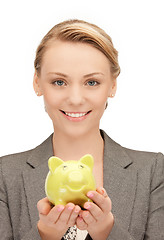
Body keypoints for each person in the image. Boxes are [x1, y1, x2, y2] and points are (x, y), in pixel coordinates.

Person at [0, 19, 164, 240]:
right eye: (59, 82)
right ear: (37, 83)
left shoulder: (153, 171)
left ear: (112, 85)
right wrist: (44, 235)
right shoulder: (5, 174)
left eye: (92, 82)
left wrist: (107, 231)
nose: (76, 99)